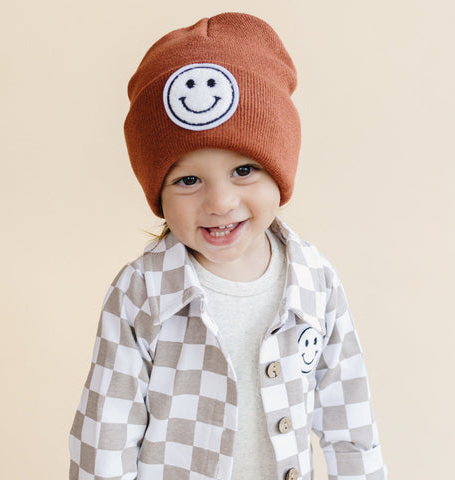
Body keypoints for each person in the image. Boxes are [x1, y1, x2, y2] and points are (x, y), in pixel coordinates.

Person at [69, 12, 387, 480]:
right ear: (158, 193)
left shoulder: (315, 280)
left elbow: (350, 419)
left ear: (280, 173)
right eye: (188, 180)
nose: (219, 203)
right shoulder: (142, 292)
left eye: (243, 171)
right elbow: (105, 435)